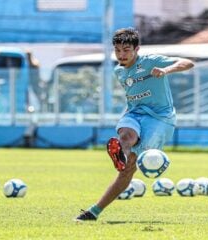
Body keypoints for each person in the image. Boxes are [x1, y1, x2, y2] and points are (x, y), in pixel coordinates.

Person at [74, 27, 194, 221]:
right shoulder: (119, 71)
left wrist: (166, 70)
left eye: (126, 50)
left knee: (128, 169)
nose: (121, 55)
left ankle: (94, 211)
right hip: (134, 113)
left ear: (137, 49)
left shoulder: (150, 61)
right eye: (118, 50)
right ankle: (121, 152)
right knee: (125, 136)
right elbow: (133, 95)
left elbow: (188, 63)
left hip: (160, 118)